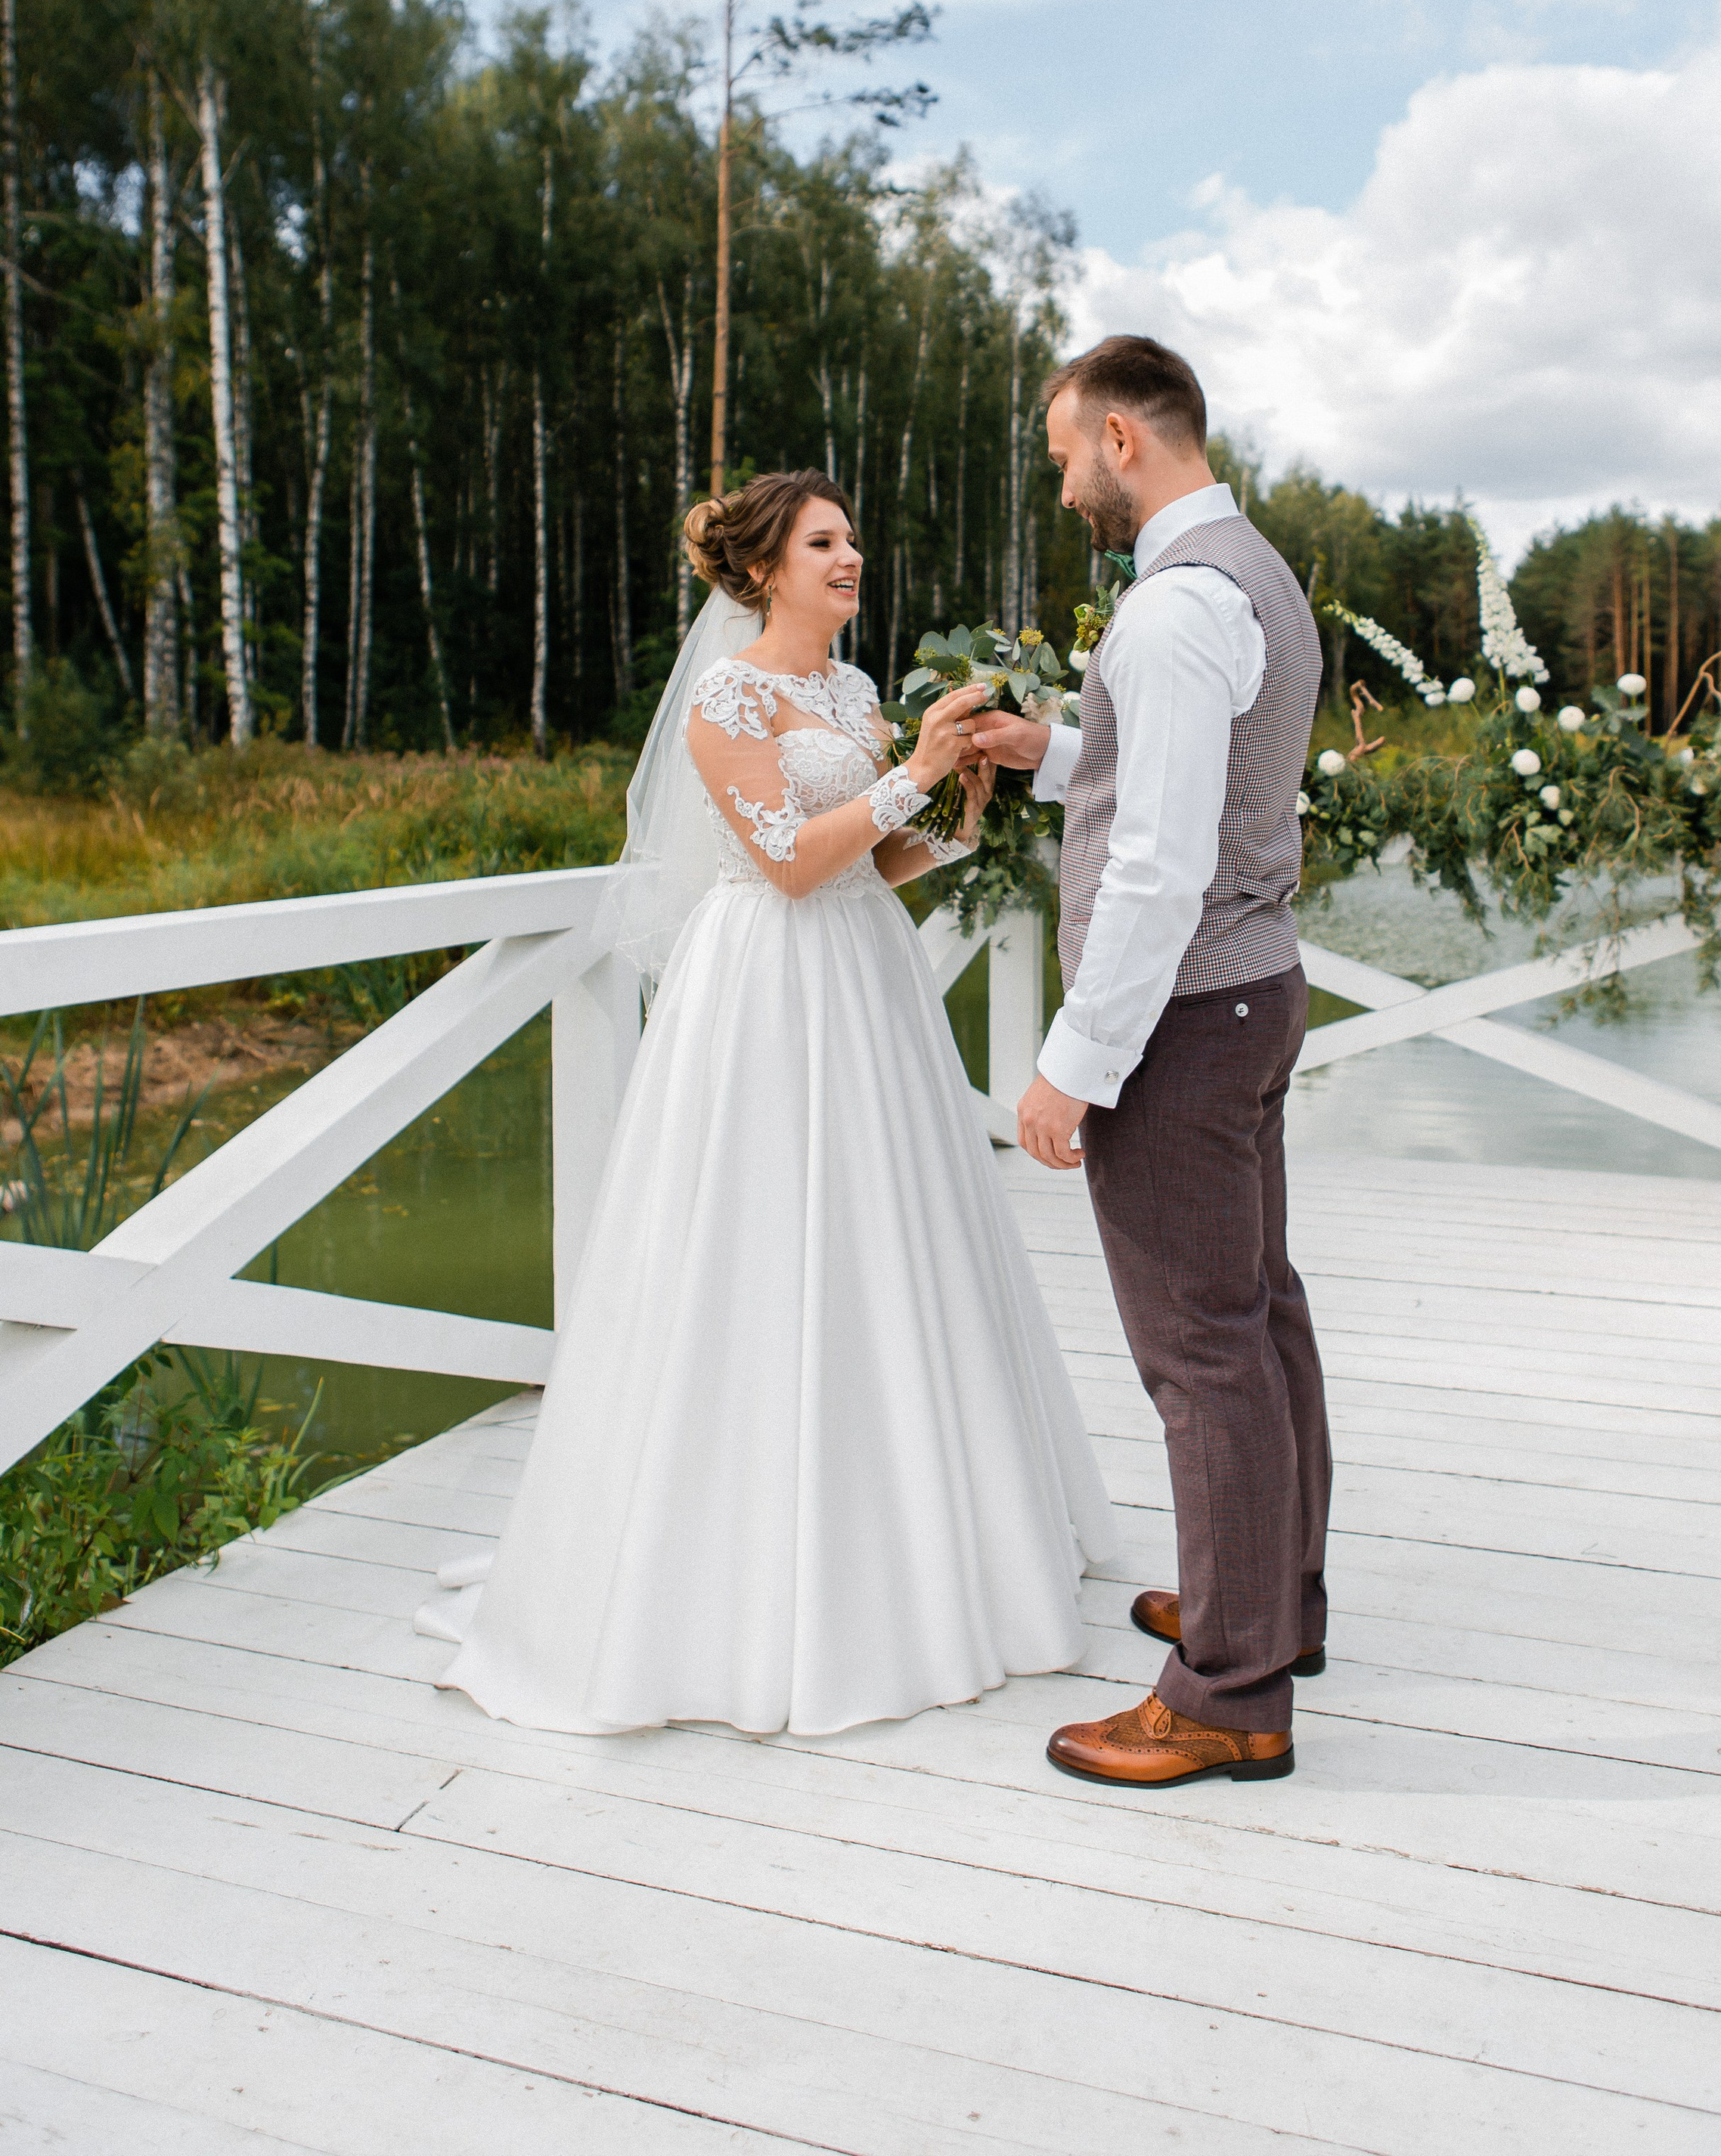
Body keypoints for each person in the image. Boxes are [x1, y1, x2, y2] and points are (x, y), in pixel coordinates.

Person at [420, 468, 1116, 1738]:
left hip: (866, 988)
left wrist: (954, 809)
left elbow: (877, 860)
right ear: (761, 571)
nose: (851, 557)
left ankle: (918, 1543)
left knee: (885, 1247)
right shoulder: (722, 700)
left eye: (853, 539)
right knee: (752, 1250)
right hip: (763, 992)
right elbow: (789, 864)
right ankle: (731, 1577)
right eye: (823, 541)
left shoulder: (851, 693)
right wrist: (912, 767)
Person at [967, 336, 1329, 1789]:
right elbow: (1183, 771)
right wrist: (1045, 747)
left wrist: (1073, 1062)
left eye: (1063, 454)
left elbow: (1165, 858)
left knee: (1202, 1354)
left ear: (1123, 436)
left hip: (1182, 1022)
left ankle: (1229, 1693)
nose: (1062, 486)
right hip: (1253, 991)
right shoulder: (1250, 570)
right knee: (1258, 1316)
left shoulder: (1175, 607)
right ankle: (1270, 1603)